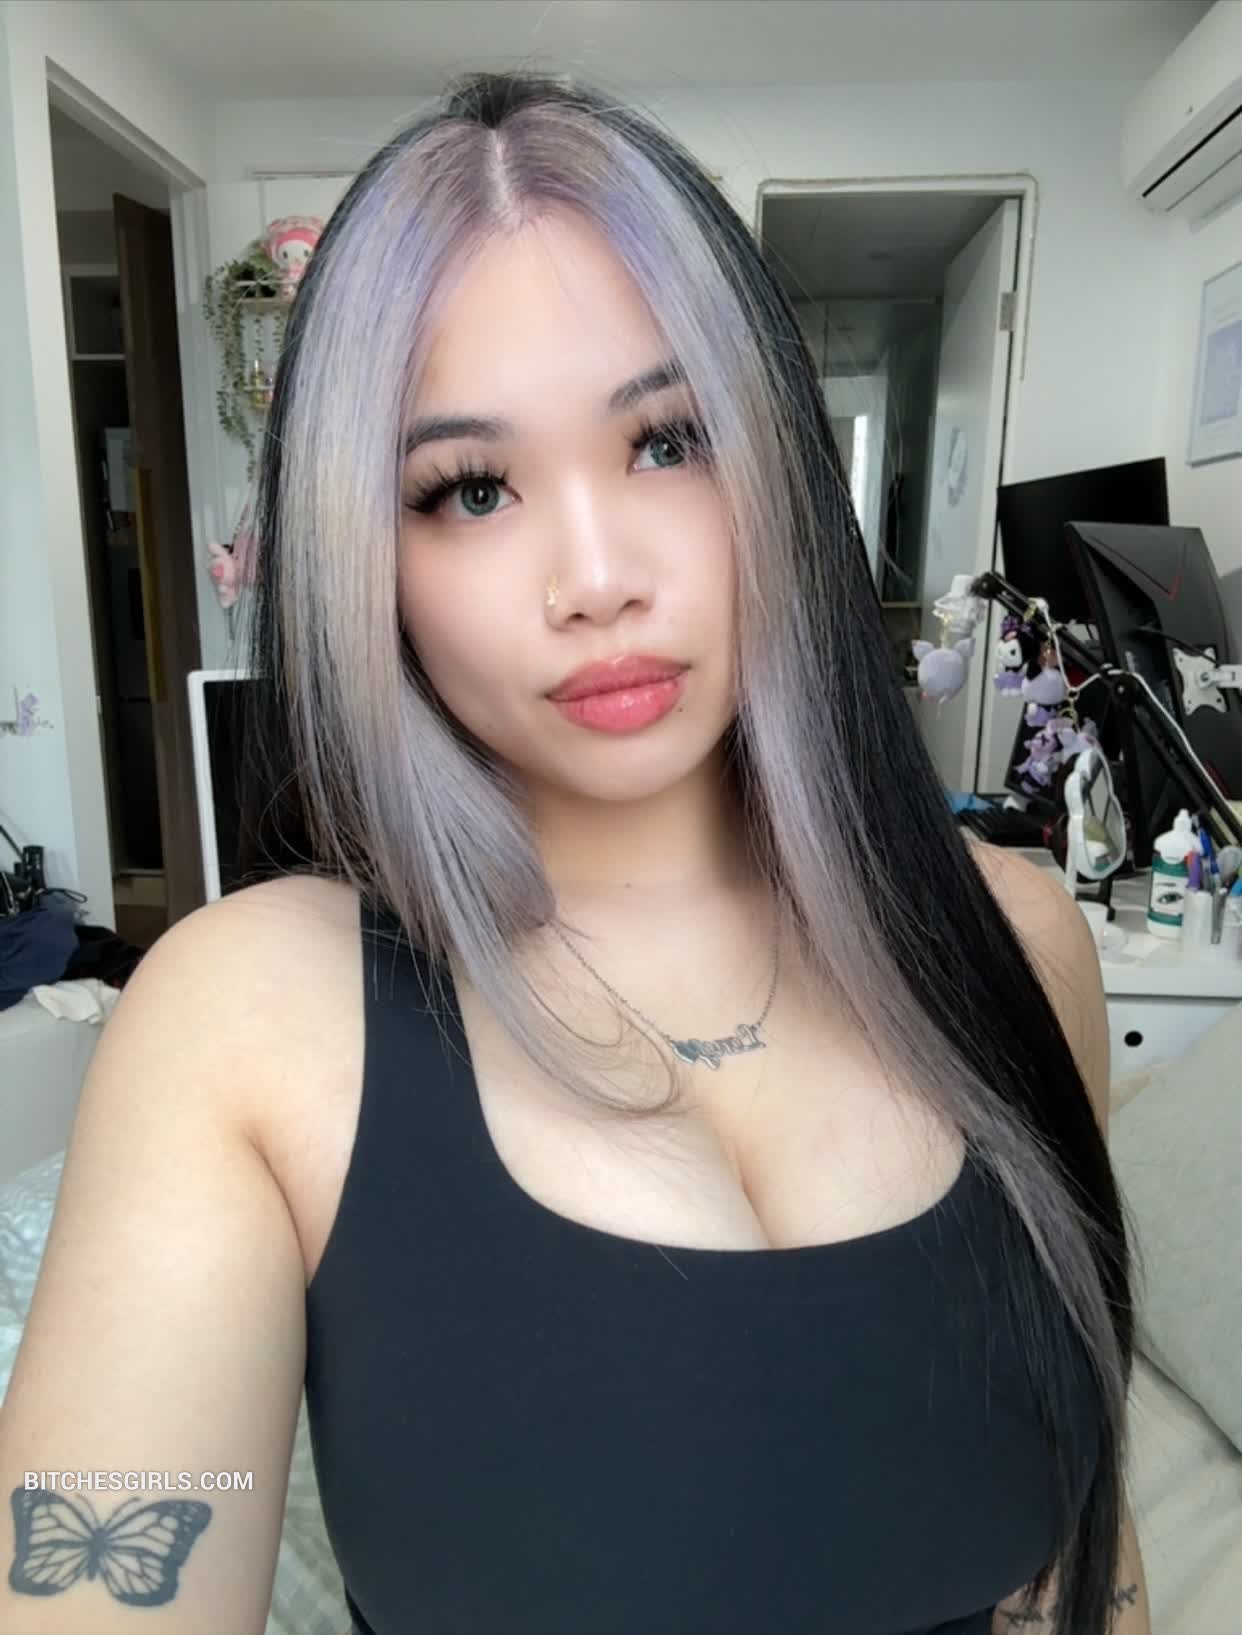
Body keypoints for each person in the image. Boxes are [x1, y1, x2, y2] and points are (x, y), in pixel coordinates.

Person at [0, 71, 1149, 1635]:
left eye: (668, 441)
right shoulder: (239, 1018)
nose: (596, 578)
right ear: (362, 553)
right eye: (470, 490)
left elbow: (1098, 1559)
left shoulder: (1018, 942)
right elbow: (101, 1569)